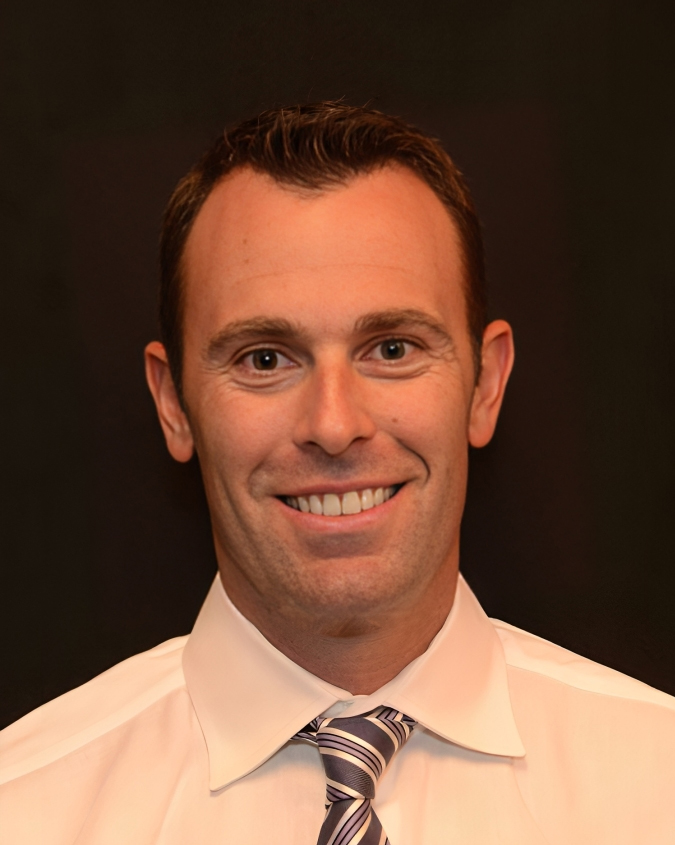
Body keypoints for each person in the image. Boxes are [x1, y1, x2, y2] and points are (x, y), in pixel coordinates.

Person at [1, 102, 673, 844]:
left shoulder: (655, 783)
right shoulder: (27, 809)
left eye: (391, 349)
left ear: (485, 385)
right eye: (264, 359)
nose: (332, 423)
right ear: (173, 404)